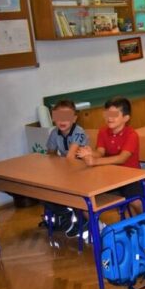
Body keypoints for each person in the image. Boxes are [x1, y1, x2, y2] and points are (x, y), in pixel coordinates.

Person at [76, 97, 143, 215]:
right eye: (107, 114)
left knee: (136, 202)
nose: (109, 118)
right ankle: (99, 225)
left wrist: (95, 161)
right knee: (84, 200)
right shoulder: (103, 131)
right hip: (109, 176)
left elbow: (122, 158)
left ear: (126, 118)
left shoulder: (132, 135)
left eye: (114, 115)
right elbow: (100, 152)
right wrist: (90, 153)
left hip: (130, 177)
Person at [43, 99, 89, 237]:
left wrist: (59, 165)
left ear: (74, 118)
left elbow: (70, 156)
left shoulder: (79, 132)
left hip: (83, 171)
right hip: (67, 172)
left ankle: (81, 219)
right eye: (58, 117)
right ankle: (64, 214)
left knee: (69, 191)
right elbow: (50, 155)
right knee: (44, 191)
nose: (62, 121)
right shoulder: (54, 133)